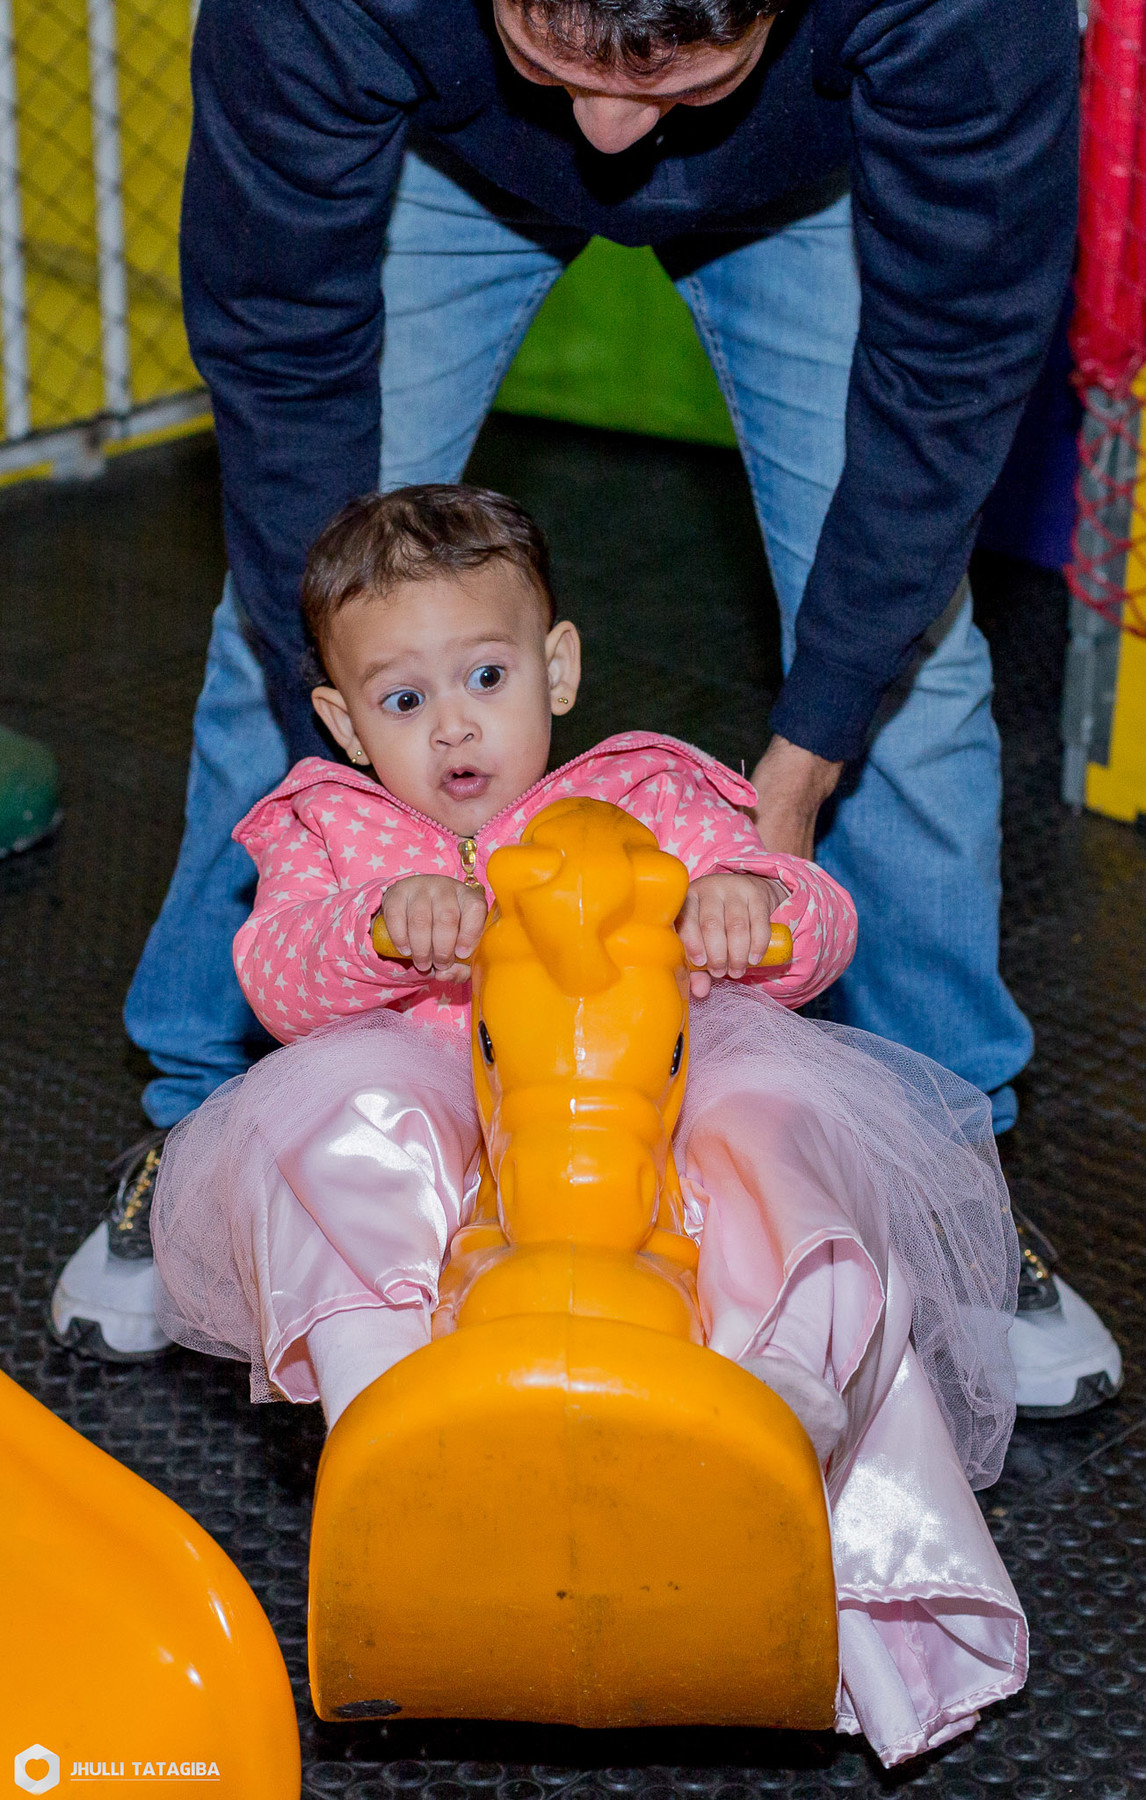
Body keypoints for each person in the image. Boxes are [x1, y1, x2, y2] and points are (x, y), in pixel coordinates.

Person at [50, 0, 1119, 1411]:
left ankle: (942, 1185)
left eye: (678, 76)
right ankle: (202, 1136)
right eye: (559, 66)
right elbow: (279, 338)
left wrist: (796, 775)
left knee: (913, 679)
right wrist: (361, 744)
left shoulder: (963, 15)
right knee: (297, 639)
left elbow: (948, 371)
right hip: (442, 157)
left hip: (813, 170)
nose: (611, 139)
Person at [149, 485, 1026, 1766]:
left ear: (557, 668)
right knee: (331, 1116)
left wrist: (747, 903)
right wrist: (384, 924)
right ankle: (403, 1412)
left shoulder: (643, 794)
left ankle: (779, 1411)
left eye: (486, 675)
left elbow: (819, 925)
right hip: (458, 1158)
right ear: (341, 721)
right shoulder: (334, 831)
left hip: (648, 1146)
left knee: (776, 1110)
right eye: (402, 701)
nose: (453, 724)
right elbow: (273, 978)